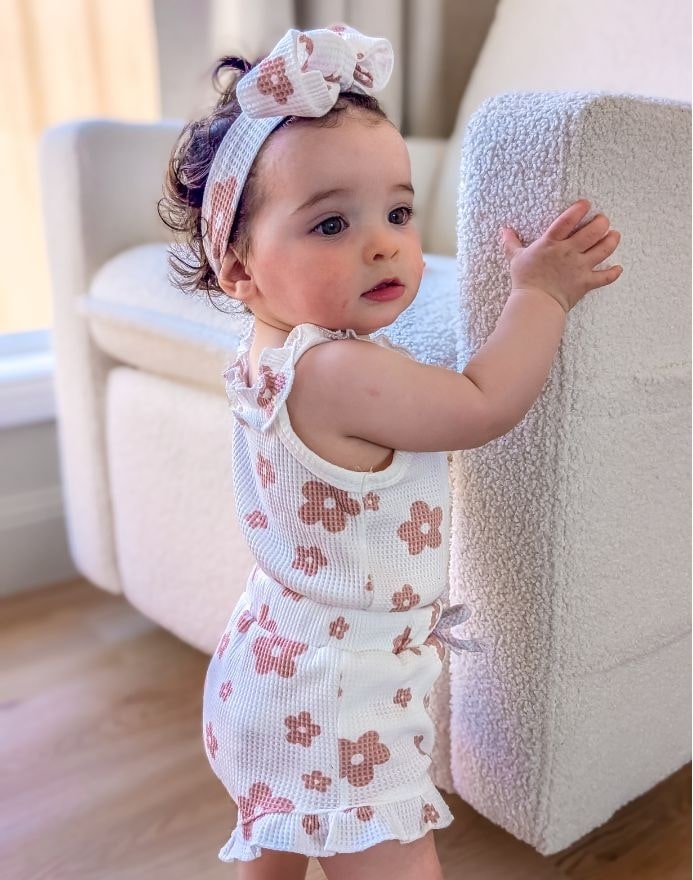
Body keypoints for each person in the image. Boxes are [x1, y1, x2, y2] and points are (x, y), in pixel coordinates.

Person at [158, 23, 622, 880]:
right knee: (393, 859)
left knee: (282, 833)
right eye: (331, 223)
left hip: (268, 663)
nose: (382, 243)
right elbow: (483, 404)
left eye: (399, 212)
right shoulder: (334, 371)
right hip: (340, 699)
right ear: (241, 271)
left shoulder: (268, 359)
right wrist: (540, 296)